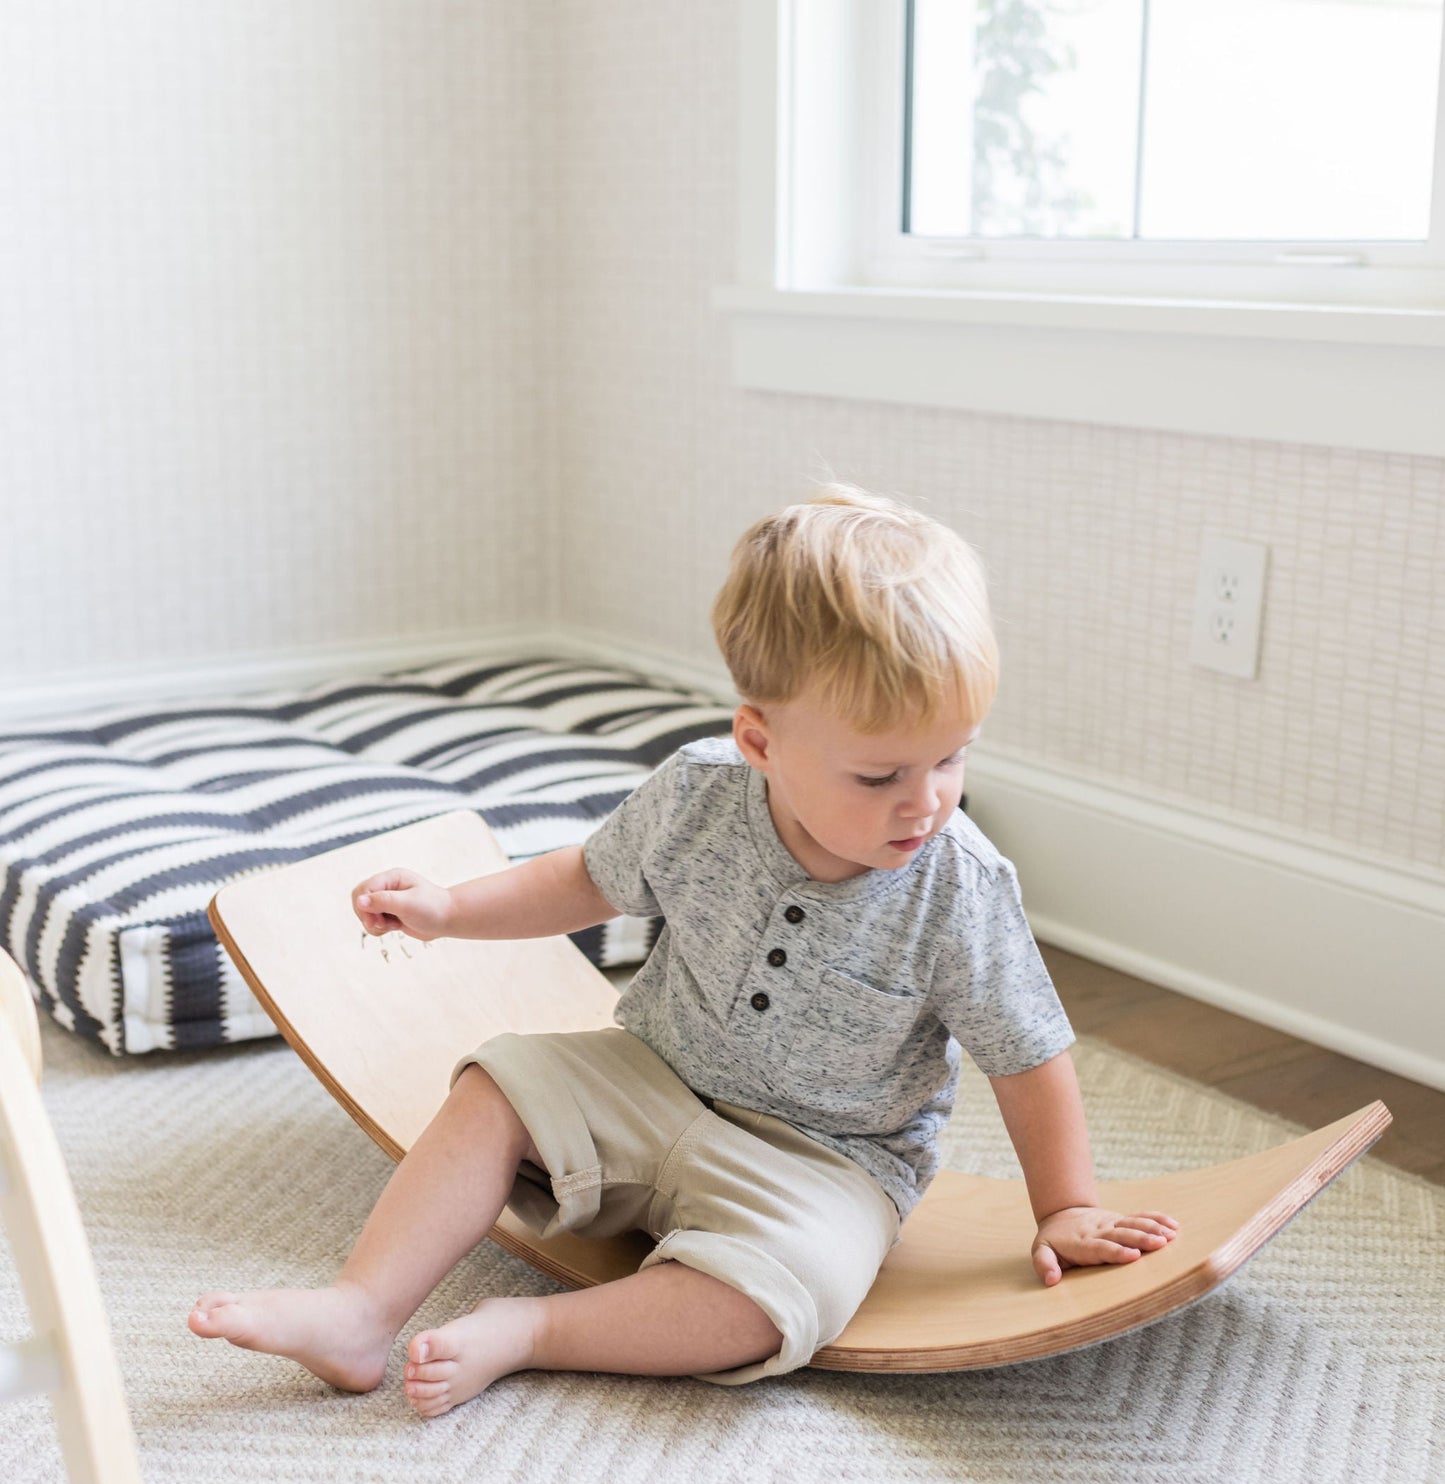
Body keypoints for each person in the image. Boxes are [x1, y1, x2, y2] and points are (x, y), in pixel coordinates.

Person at [189, 485, 1177, 1412]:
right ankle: (361, 1309)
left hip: (828, 1159)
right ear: (758, 740)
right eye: (879, 773)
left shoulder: (957, 882)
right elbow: (582, 878)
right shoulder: (698, 791)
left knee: (787, 1295)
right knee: (496, 1082)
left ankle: (532, 1331)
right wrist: (451, 905)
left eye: (951, 757)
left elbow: (1027, 1052)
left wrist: (1064, 1206)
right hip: (649, 1072)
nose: (923, 799)